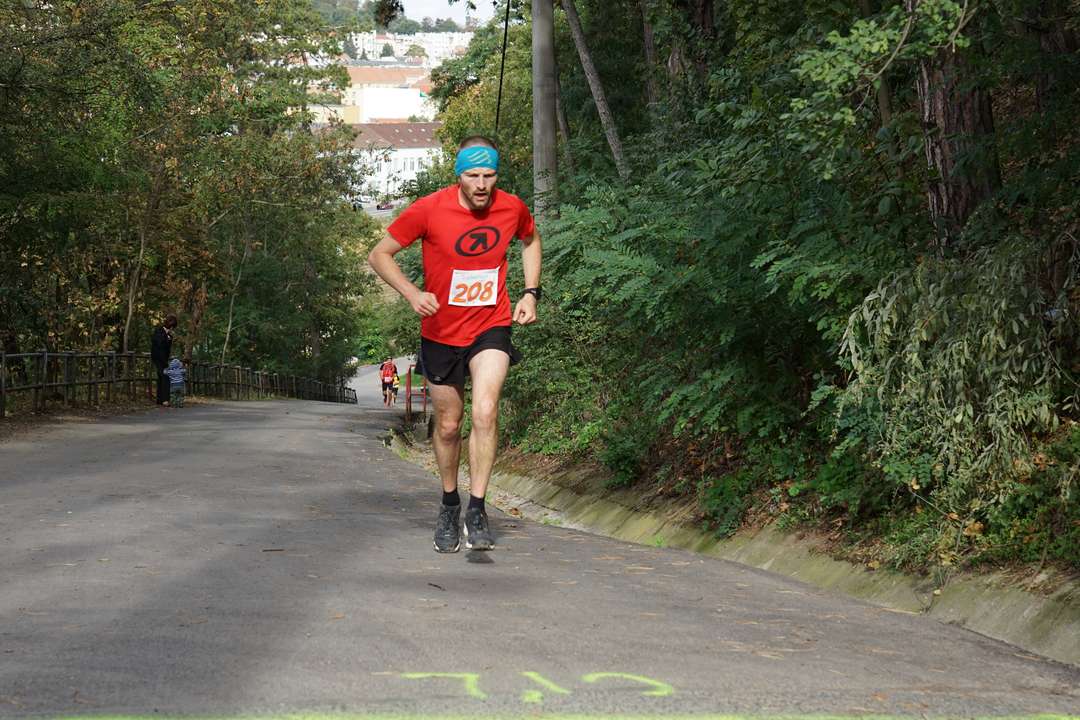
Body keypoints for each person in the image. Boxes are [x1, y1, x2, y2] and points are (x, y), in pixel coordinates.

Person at [368, 135, 541, 553]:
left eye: (489, 175)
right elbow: (379, 254)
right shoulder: (429, 209)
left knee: (485, 410)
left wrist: (530, 292)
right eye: (473, 175)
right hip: (441, 332)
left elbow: (531, 240)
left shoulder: (512, 207)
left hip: (491, 325)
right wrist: (412, 293)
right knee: (448, 425)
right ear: (458, 175)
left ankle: (477, 508)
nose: (482, 184)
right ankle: (449, 503)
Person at [151, 314, 178, 406]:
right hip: (158, 358)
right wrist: (167, 338)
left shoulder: (168, 335)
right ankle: (165, 400)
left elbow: (167, 348)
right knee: (165, 377)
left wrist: (169, 338)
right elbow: (159, 344)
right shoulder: (159, 331)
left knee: (161, 378)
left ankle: (160, 399)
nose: (172, 329)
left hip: (164, 359)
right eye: (172, 327)